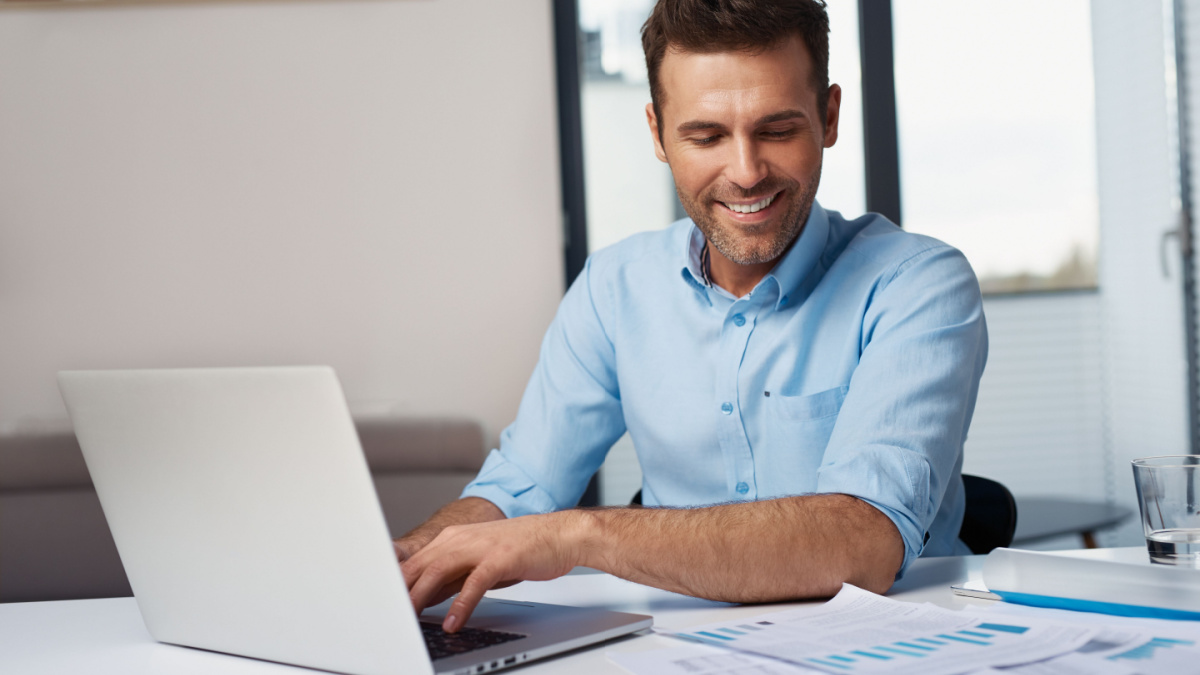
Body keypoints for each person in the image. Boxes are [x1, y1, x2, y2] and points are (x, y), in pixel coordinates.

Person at [398, 0, 987, 634]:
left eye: (778, 130)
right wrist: (405, 562)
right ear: (656, 132)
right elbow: (519, 489)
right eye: (706, 136)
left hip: (887, 644)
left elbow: (860, 541)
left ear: (830, 115)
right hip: (676, 647)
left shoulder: (917, 283)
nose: (745, 172)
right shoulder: (614, 287)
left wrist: (580, 535)